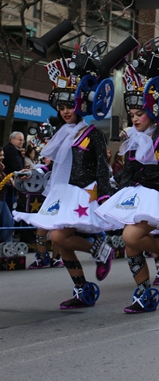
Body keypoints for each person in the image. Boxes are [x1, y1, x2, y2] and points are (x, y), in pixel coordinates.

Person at [96, 43, 159, 313]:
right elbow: (129, 168)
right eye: (132, 114)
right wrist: (117, 186)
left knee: (130, 237)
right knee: (131, 245)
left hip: (157, 194)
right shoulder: (132, 138)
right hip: (136, 193)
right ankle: (144, 292)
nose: (135, 118)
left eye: (140, 114)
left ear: (153, 112)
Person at [13, 74, 114, 309]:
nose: (66, 111)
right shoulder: (61, 133)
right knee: (61, 241)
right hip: (62, 192)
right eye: (62, 107)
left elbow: (102, 167)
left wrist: (105, 198)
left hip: (82, 193)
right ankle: (82, 290)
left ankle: (101, 250)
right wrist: (32, 172)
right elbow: (50, 163)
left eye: (70, 106)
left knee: (58, 237)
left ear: (81, 106)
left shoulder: (93, 134)